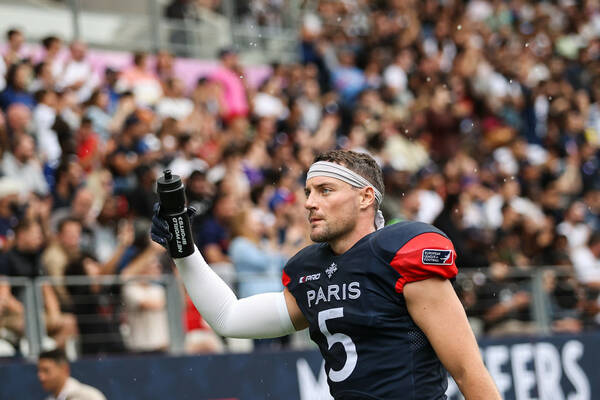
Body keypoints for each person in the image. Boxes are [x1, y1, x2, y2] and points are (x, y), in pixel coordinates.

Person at [152, 150, 500, 399]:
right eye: (308, 192)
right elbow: (230, 318)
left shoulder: (400, 253)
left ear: (366, 198)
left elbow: (468, 370)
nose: (309, 202)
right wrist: (184, 250)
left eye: (325, 190)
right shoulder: (312, 270)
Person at [37, 348, 107, 400]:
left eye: (46, 370)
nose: (41, 377)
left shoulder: (88, 396)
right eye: (39, 371)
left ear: (64, 369)